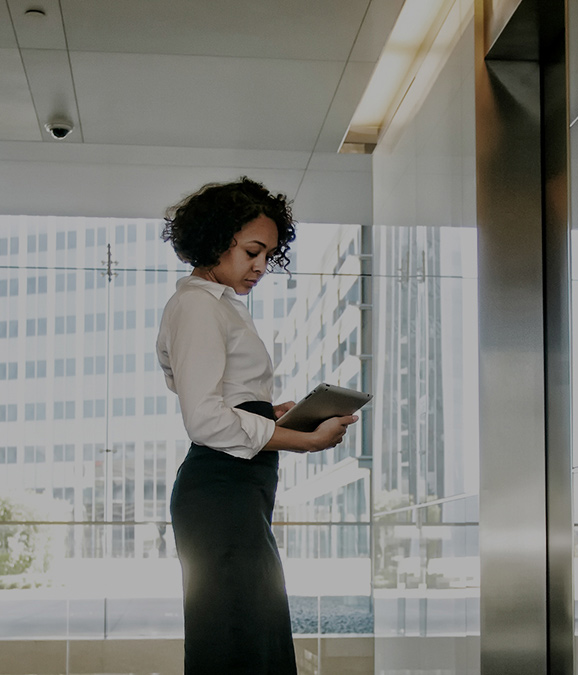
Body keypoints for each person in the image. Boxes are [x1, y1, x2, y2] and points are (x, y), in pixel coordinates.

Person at [156, 178, 359, 675]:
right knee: (237, 637)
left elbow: (224, 404)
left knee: (249, 632)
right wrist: (304, 440)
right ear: (213, 239)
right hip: (222, 488)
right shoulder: (199, 305)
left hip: (236, 489)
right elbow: (205, 419)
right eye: (251, 251)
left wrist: (273, 414)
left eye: (269, 254)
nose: (261, 266)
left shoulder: (215, 305)